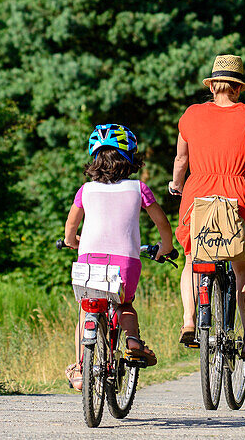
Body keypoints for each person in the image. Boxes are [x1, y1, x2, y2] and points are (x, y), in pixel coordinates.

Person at [169, 54, 245, 362]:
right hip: (238, 196)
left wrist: (176, 185)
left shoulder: (192, 115)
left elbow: (181, 161)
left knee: (192, 259)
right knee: (244, 268)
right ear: (237, 89)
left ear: (212, 87)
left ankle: (189, 320)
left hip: (197, 195)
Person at [63, 123, 175, 391]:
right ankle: (134, 342)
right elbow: (162, 224)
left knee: (86, 309)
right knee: (124, 305)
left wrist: (72, 243)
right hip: (125, 261)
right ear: (130, 156)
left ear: (95, 157)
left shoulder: (86, 190)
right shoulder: (139, 188)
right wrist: (166, 246)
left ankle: (80, 369)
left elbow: (70, 229)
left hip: (89, 261)